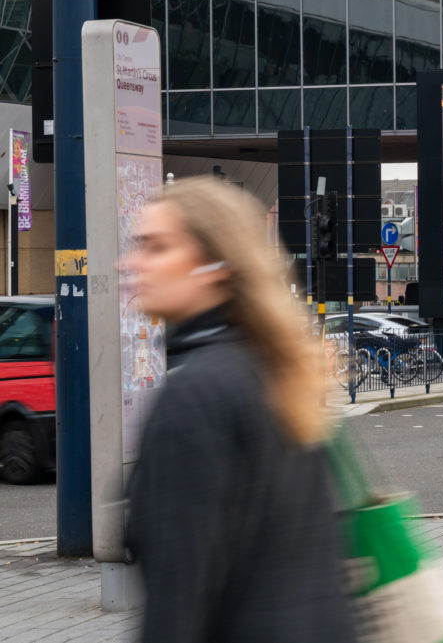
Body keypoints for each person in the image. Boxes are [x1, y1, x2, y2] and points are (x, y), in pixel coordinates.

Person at [124, 177, 357, 643]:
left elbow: (177, 600)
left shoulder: (196, 395)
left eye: (156, 247)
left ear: (213, 264)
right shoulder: (275, 374)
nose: (132, 263)